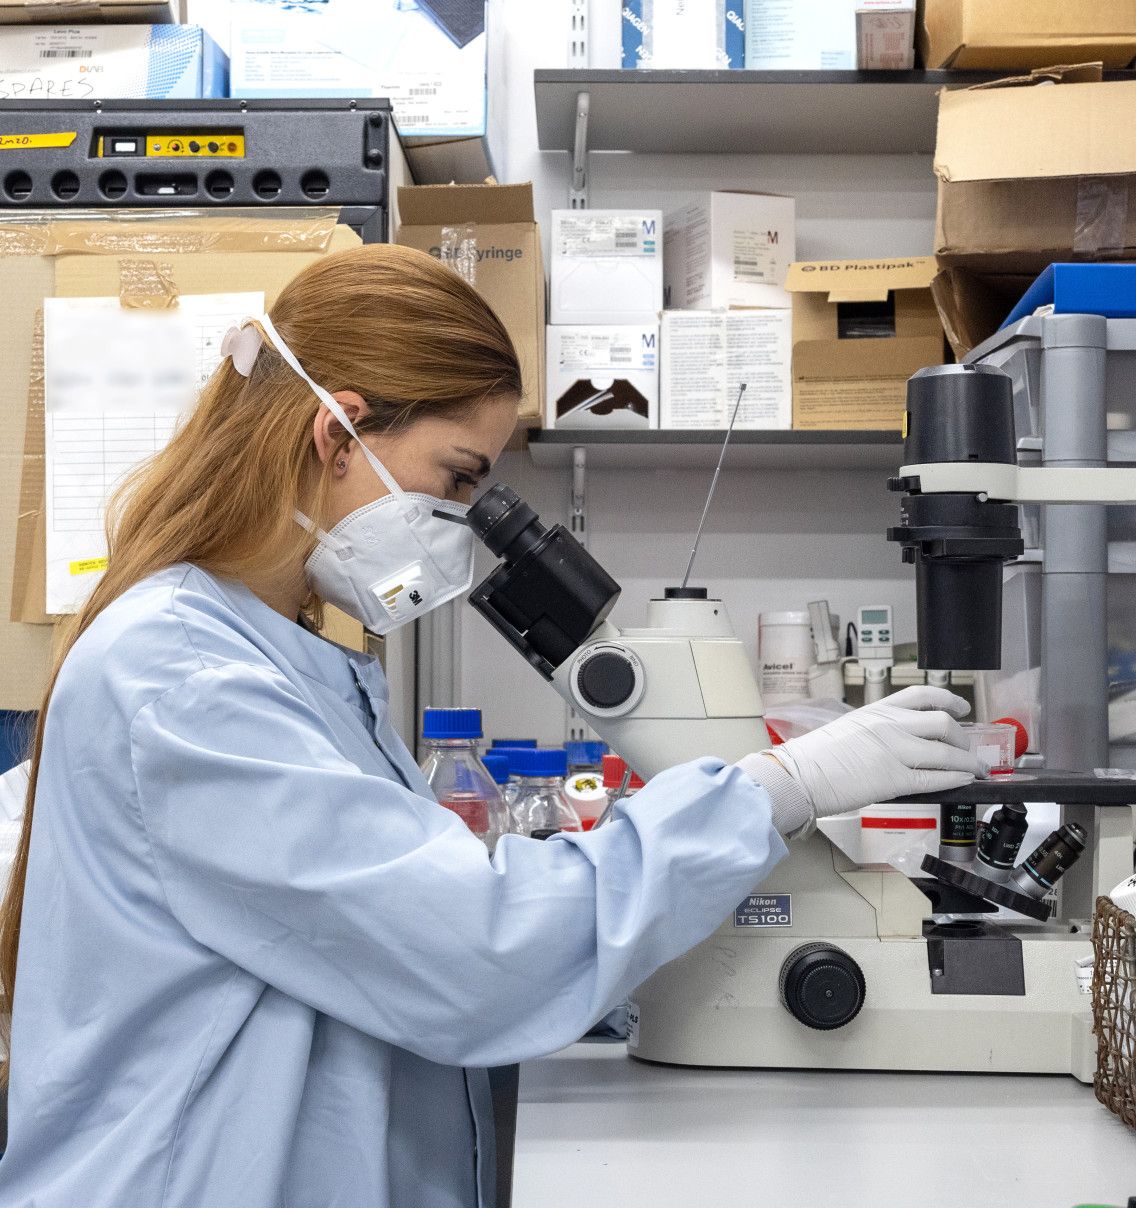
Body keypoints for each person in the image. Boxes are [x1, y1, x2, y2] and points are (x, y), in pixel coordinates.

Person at [0, 245, 982, 1208]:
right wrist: (775, 787)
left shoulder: (275, 652)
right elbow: (474, 947)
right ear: (335, 434)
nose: (467, 519)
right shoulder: (186, 679)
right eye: (458, 475)